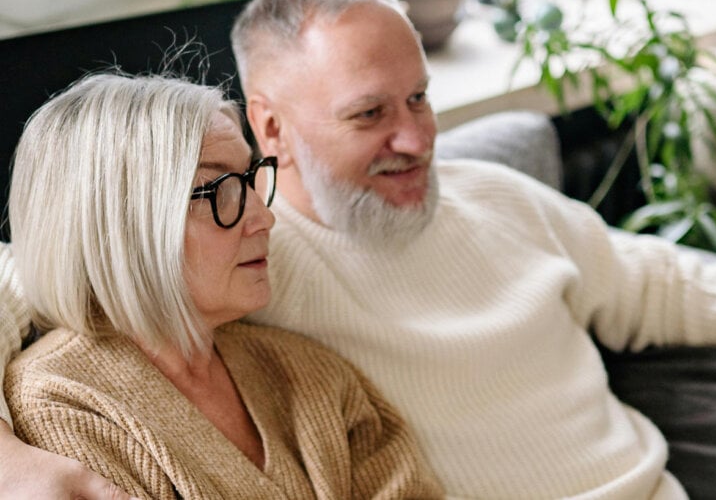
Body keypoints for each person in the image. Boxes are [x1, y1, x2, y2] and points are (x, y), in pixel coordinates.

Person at [1, 0, 716, 499]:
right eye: (369, 114)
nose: (417, 139)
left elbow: (654, 276)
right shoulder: (255, 259)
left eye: (421, 98)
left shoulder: (491, 198)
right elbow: (45, 268)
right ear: (271, 128)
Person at [0, 73, 442, 499]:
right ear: (117, 225)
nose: (263, 218)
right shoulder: (60, 409)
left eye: (250, 181)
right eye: (218, 189)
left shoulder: (309, 373)